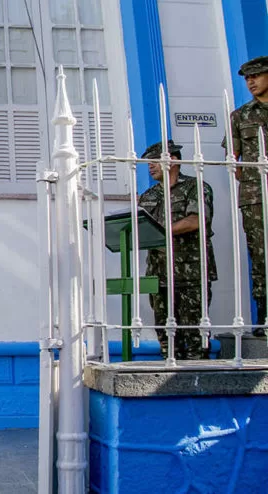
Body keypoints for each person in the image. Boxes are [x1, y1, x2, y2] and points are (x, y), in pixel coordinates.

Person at [138, 140, 217, 360]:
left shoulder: (196, 187)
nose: (150, 167)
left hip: (191, 273)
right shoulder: (149, 195)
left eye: (154, 161)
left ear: (172, 160)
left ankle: (196, 380)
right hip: (159, 273)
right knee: (166, 336)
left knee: (194, 336)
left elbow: (196, 220)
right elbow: (141, 228)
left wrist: (160, 230)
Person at [223, 55, 268, 336]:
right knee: (261, 254)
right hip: (256, 197)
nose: (250, 81)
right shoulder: (241, 116)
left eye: (256, 75)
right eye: (247, 78)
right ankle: (265, 316)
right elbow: (233, 160)